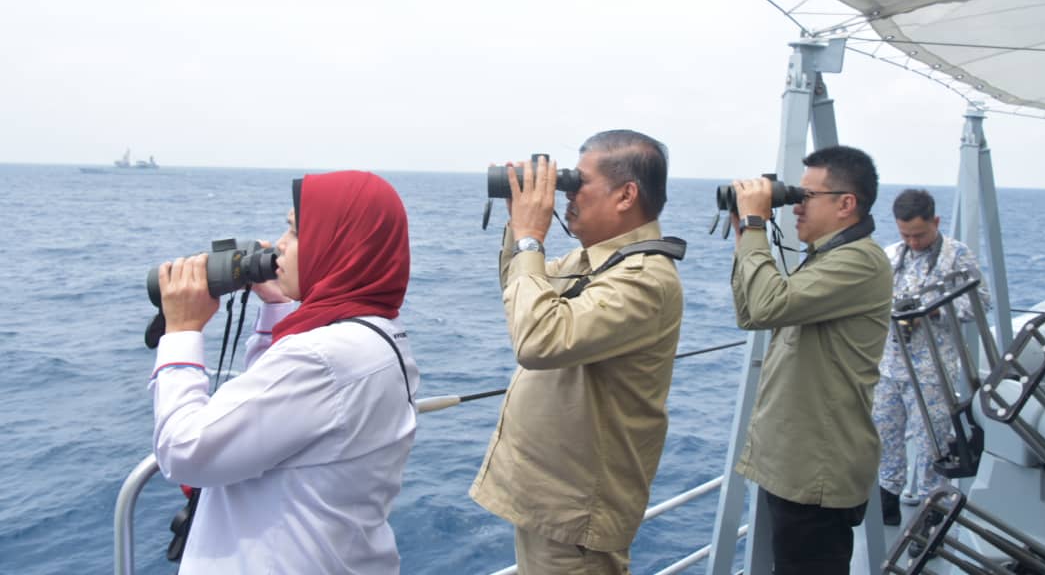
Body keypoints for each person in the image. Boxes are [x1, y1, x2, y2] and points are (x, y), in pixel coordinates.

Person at [150, 170, 418, 574]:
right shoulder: (374, 335)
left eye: (294, 232)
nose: (279, 244)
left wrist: (182, 332)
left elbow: (184, 450)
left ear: (339, 244)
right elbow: (270, 415)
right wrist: (276, 307)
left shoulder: (322, 358)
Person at [470, 130, 684, 575]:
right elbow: (521, 292)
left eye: (577, 183)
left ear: (626, 195)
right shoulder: (592, 263)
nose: (566, 193)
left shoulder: (644, 280)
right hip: (551, 502)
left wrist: (531, 237)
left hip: (576, 515)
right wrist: (518, 225)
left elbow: (537, 340)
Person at [729, 145, 892, 575]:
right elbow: (752, 315)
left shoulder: (859, 261)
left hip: (817, 472)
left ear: (846, 204)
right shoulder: (829, 257)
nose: (796, 206)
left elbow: (766, 306)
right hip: (795, 463)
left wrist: (755, 224)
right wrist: (745, 235)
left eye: (806, 196)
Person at [873, 189, 988, 551]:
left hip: (931, 371)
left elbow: (980, 304)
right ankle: (887, 501)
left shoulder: (958, 257)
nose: (912, 241)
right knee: (885, 437)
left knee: (933, 448)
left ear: (936, 223)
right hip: (890, 367)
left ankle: (929, 519)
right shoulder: (892, 256)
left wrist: (934, 310)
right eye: (905, 234)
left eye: (919, 235)